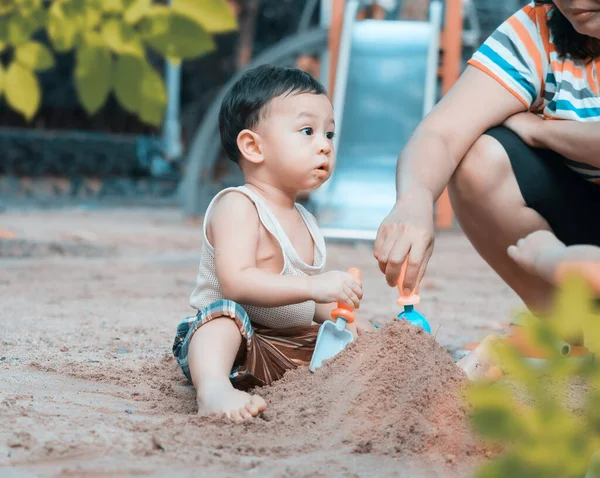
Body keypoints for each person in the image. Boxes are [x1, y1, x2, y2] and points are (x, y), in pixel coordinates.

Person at [172, 65, 373, 422]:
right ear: (253, 146)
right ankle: (214, 388)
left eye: (330, 134)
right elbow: (236, 282)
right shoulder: (238, 205)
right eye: (308, 131)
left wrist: (345, 313)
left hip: (281, 347)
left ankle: (392, 362)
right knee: (224, 318)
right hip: (229, 346)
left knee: (347, 331)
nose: (325, 146)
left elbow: (307, 304)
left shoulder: (307, 221)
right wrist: (315, 285)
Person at [374, 0, 600, 316]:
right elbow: (442, 132)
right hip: (583, 219)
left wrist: (540, 132)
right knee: (479, 159)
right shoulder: (538, 28)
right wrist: (414, 200)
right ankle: (569, 331)